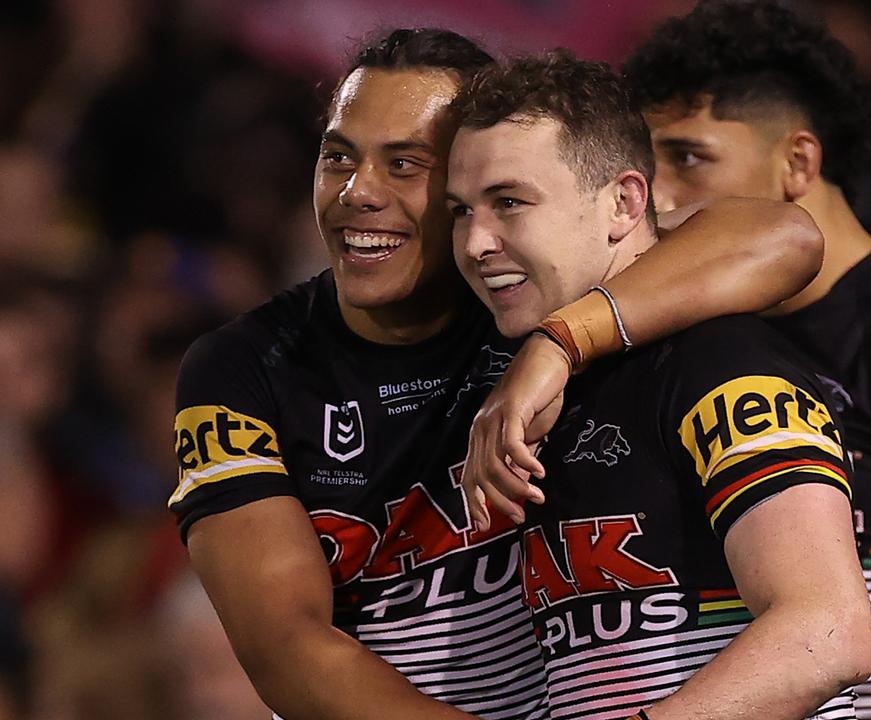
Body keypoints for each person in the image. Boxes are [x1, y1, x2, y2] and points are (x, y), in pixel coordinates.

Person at [467, 3, 871, 718]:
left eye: (689, 157)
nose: (661, 195)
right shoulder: (654, 333)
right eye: (648, 162)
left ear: (797, 162)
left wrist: (557, 342)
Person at [170, 28, 827, 720]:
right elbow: (289, 649)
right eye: (338, 157)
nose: (357, 192)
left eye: (404, 164)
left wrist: (555, 343)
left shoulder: (531, 288)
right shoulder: (242, 366)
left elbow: (785, 236)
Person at [445, 49, 871, 720]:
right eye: (461, 211)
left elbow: (826, 634)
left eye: (509, 202)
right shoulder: (549, 378)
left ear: (623, 202)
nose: (475, 243)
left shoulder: (723, 359)